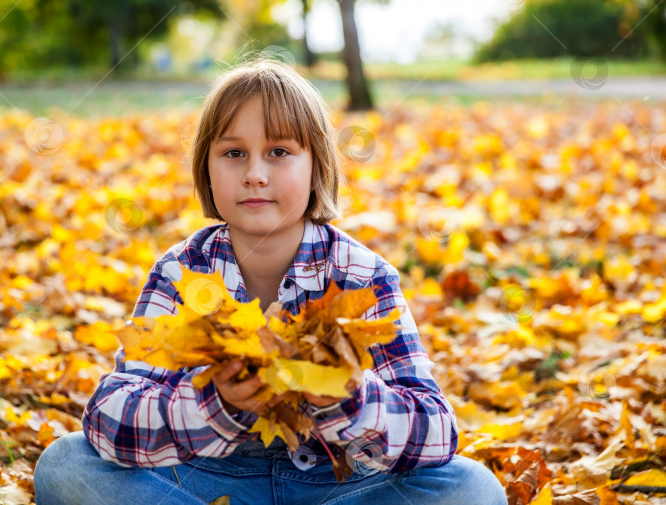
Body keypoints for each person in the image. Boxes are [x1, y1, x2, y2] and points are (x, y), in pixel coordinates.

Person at [34, 58, 507, 505]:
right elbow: (108, 417)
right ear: (208, 169)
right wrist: (213, 403)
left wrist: (351, 402)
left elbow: (437, 430)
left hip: (338, 483)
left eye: (279, 152)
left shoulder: (362, 275)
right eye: (234, 153)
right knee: (66, 465)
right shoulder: (183, 272)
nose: (255, 174)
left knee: (473, 490)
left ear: (316, 165)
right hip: (206, 477)